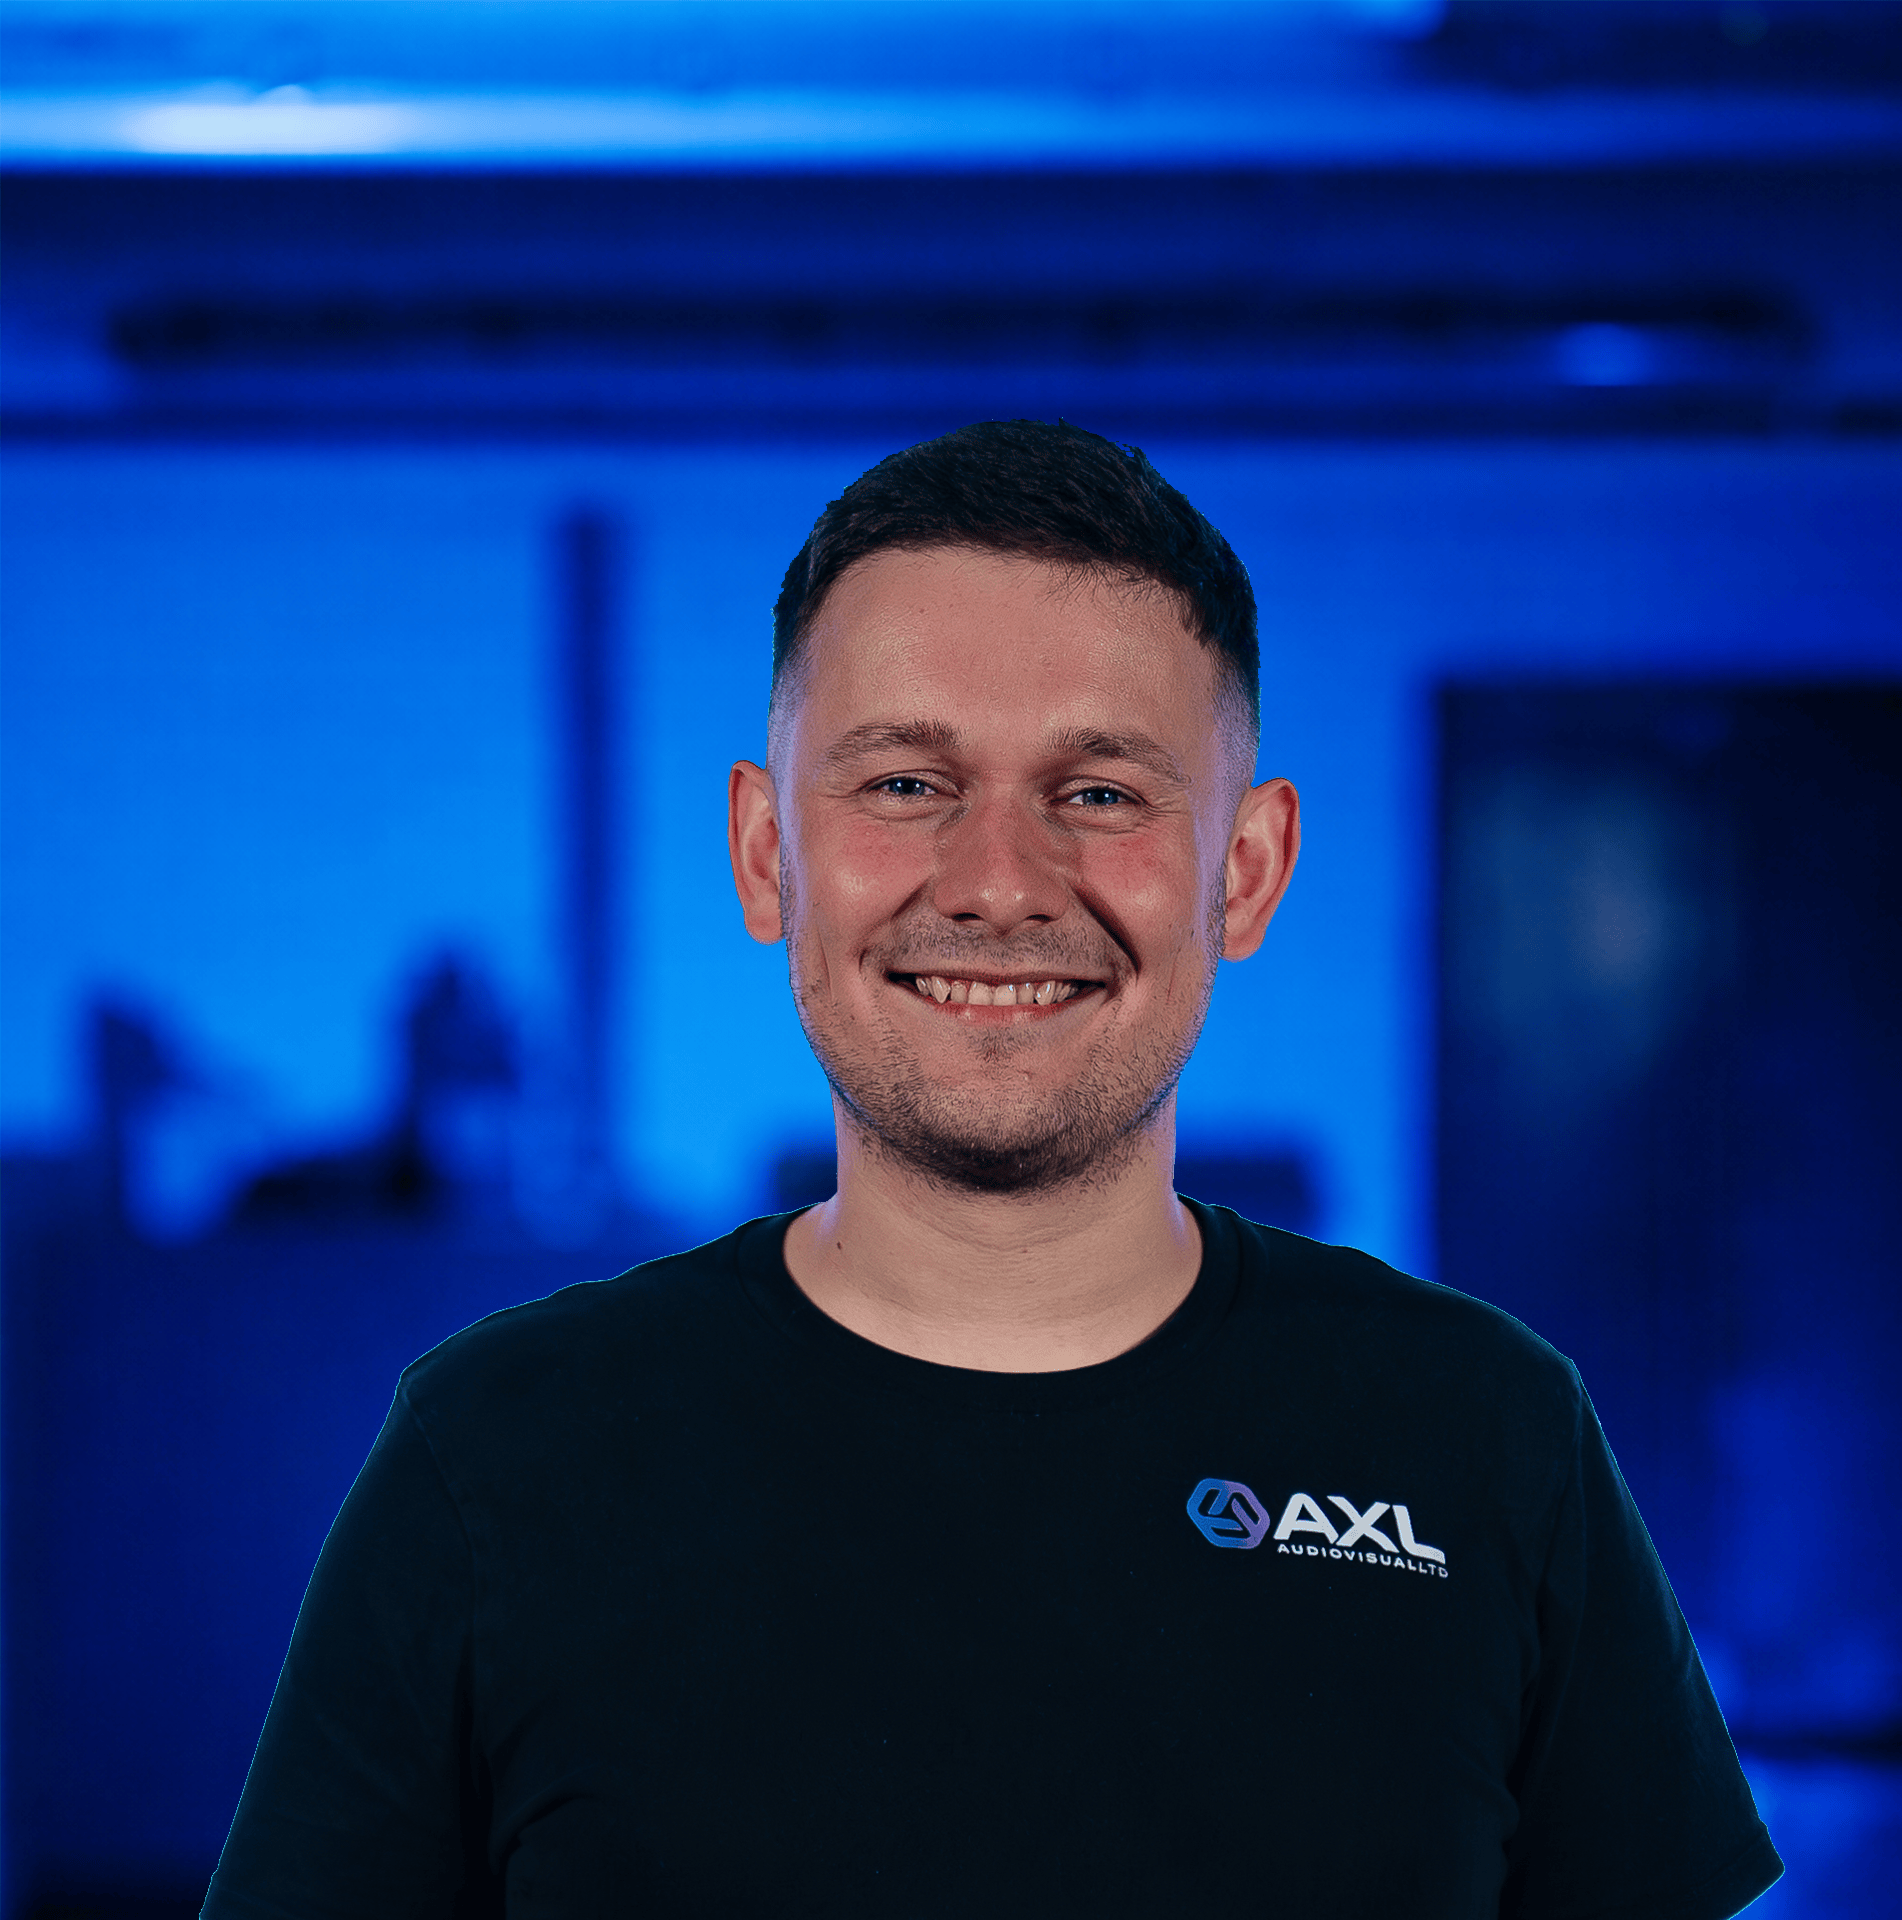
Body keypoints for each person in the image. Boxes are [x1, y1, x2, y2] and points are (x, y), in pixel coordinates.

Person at [202, 421, 1782, 1917]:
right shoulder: (495, 1459)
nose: (1001, 883)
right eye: (905, 783)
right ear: (768, 856)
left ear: (1245, 869)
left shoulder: (1487, 1442)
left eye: (1099, 792)